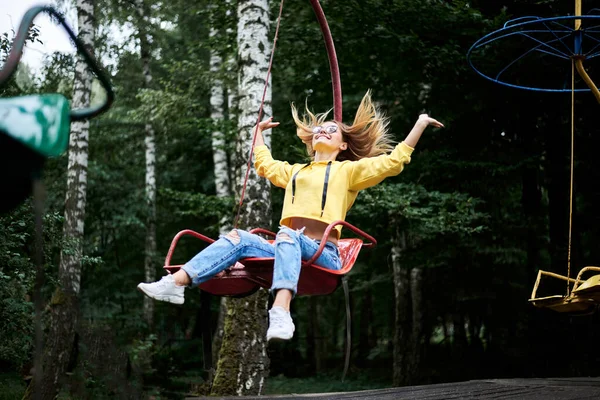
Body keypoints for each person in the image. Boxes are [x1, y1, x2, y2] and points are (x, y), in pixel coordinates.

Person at [137, 91, 443, 341]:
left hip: (325, 254)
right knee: (240, 236)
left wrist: (418, 125)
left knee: (285, 234)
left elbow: (392, 163)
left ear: (343, 144)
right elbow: (265, 165)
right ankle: (176, 284)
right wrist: (257, 134)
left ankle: (281, 312)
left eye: (332, 129)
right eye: (320, 129)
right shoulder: (295, 172)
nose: (323, 130)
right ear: (311, 141)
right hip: (287, 245)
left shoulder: (348, 171)